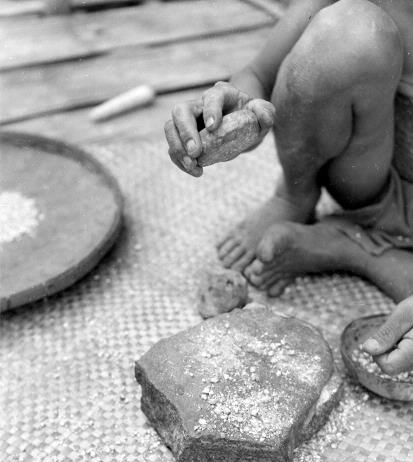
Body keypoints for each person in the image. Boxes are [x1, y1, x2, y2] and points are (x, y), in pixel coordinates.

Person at [164, 0, 413, 375]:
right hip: (377, 186)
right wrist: (230, 118)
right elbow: (256, 76)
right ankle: (296, 195)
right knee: (350, 32)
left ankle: (357, 248)